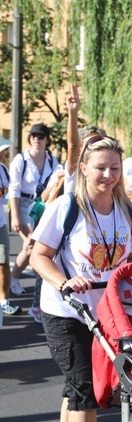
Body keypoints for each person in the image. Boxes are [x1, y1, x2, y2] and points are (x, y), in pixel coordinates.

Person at [29, 136, 132, 422]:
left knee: (84, 383)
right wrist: (65, 281)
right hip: (66, 312)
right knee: (84, 385)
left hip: (107, 313)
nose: (108, 175)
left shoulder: (127, 211)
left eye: (115, 168)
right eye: (100, 167)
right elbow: (39, 256)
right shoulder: (67, 207)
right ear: (83, 168)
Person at [8, 123, 60, 321]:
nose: (37, 139)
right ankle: (13, 279)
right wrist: (14, 215)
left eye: (41, 135)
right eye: (33, 135)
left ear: (47, 139)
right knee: (30, 246)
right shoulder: (20, 160)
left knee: (31, 247)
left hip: (43, 205)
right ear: (29, 138)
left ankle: (14, 278)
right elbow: (14, 188)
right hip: (23, 204)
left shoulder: (53, 161)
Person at [0, 141, 20, 320]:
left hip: (0, 224)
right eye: (3, 150)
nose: (5, 153)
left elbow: (6, 194)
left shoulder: (3, 170)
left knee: (3, 262)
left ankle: (4, 301)